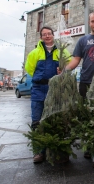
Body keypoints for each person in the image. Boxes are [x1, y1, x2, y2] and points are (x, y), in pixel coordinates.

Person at [65, 12, 94, 168]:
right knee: (87, 114)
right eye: (93, 21)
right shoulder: (82, 40)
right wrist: (65, 70)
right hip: (86, 82)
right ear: (89, 22)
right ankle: (88, 145)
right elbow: (75, 60)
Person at [25, 26, 71, 163]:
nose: (47, 36)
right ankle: (39, 152)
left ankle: (58, 148)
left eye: (49, 34)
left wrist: (62, 72)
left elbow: (70, 65)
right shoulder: (35, 53)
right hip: (39, 89)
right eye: (44, 34)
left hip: (56, 89)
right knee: (37, 121)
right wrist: (41, 78)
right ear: (41, 37)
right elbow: (30, 69)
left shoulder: (62, 51)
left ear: (53, 35)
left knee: (57, 119)